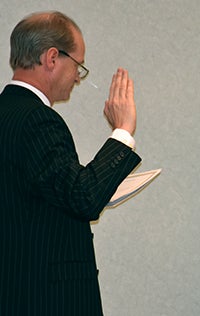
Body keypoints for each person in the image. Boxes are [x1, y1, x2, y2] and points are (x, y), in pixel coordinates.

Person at [0, 11, 142, 315]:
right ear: (52, 58)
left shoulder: (7, 115)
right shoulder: (38, 120)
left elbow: (46, 194)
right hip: (47, 299)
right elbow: (83, 197)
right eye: (78, 65)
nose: (78, 77)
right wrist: (123, 131)